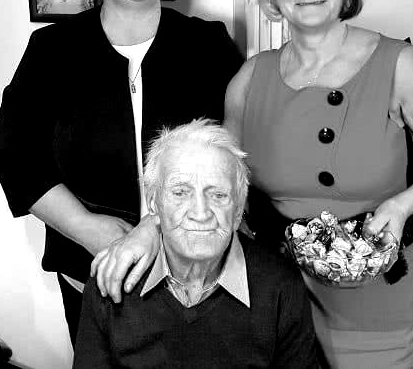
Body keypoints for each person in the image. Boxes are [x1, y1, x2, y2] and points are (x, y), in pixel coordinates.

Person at [91, 0, 413, 368]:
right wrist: (150, 229)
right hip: (275, 288)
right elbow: (215, 179)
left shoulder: (400, 65)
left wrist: (401, 206)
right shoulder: (249, 78)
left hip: (371, 290)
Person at [0, 0, 243, 346]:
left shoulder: (208, 46)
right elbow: (16, 156)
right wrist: (88, 229)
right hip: (90, 275)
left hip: (195, 277)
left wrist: (158, 230)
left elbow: (238, 152)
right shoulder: (52, 51)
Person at [73, 120, 317, 368]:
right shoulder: (112, 279)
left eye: (218, 195)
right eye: (180, 192)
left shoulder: (280, 286)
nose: (200, 213)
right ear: (154, 204)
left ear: (237, 212)